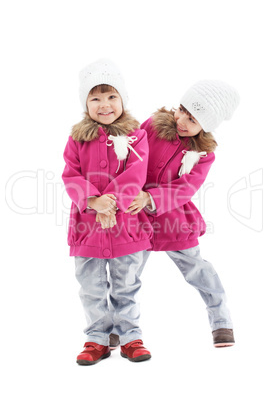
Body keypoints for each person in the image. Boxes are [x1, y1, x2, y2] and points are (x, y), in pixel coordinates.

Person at [126, 80, 239, 347]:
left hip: (173, 218)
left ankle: (221, 321)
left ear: (206, 126)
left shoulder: (202, 154)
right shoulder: (153, 126)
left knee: (197, 269)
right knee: (125, 274)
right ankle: (119, 326)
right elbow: (132, 155)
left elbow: (186, 187)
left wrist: (151, 197)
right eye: (183, 111)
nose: (183, 122)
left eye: (194, 120)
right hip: (135, 215)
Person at [62, 59, 152, 364]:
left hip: (126, 228)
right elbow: (70, 176)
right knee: (91, 286)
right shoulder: (77, 139)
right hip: (86, 230)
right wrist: (93, 202)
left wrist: (110, 203)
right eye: (95, 98)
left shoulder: (136, 136)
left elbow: (135, 176)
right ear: (85, 103)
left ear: (123, 100)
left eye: (112, 96)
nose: (104, 105)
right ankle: (96, 338)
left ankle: (130, 336)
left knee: (126, 284)